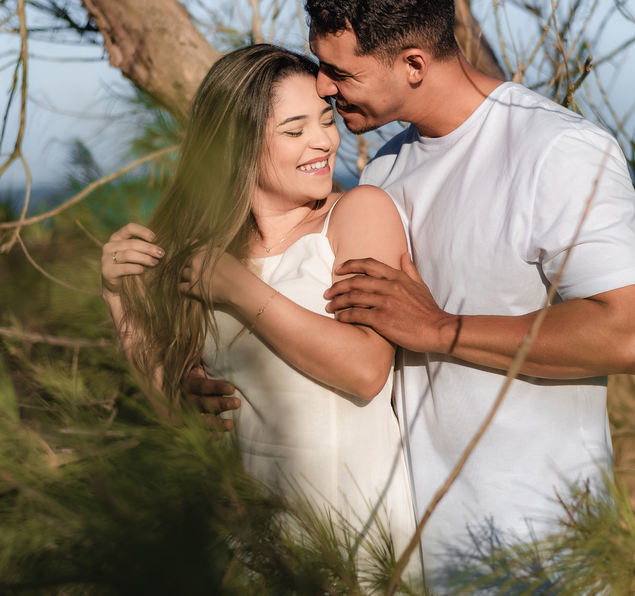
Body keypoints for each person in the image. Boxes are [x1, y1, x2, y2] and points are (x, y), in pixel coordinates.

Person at [298, 0, 635, 576]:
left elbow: (630, 334)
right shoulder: (382, 175)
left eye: (342, 72)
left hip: (543, 554)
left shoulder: (557, 150)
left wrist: (439, 328)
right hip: (413, 554)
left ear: (413, 63)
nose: (324, 87)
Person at [99, 44, 418, 574]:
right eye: (294, 131)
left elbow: (366, 369)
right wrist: (119, 297)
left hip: (358, 543)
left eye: (324, 120)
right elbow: (181, 411)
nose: (323, 141)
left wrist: (240, 291)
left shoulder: (356, 214)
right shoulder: (204, 256)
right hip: (252, 551)